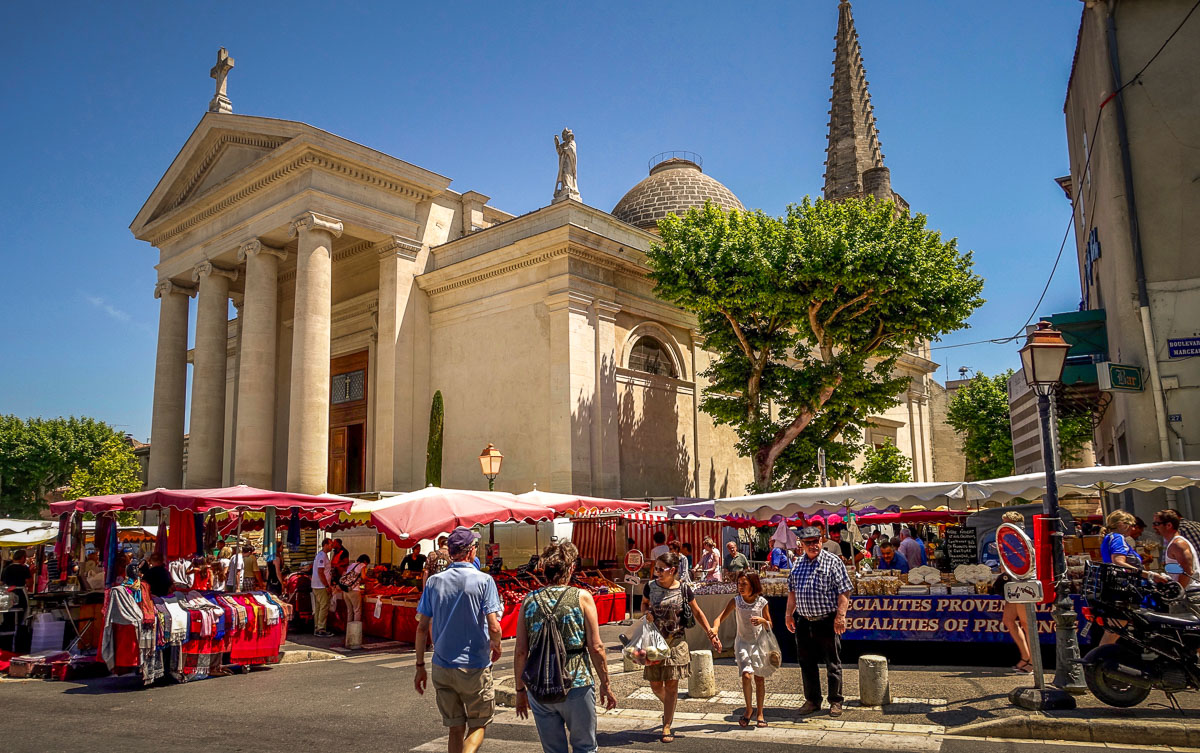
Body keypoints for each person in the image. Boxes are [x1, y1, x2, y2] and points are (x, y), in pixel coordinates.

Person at [514, 541, 617, 753]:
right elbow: (596, 647)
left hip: (540, 685)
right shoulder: (582, 597)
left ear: (544, 570)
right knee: (585, 747)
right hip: (576, 682)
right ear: (570, 568)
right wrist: (605, 684)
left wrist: (519, 690)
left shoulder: (529, 600)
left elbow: (521, 651)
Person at [414, 527, 504, 753]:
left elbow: (422, 627)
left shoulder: (434, 582)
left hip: (442, 665)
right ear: (470, 551)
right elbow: (494, 625)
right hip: (473, 666)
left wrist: (419, 666)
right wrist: (497, 644)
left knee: (455, 728)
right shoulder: (484, 581)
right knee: (478, 724)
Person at [642, 552, 720, 743]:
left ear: (673, 570)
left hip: (677, 642)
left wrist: (711, 633)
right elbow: (644, 605)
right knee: (655, 685)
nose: (657, 572)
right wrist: (646, 614)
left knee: (671, 684)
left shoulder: (684, 589)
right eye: (656, 569)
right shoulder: (650, 587)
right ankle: (670, 706)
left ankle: (666, 725)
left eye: (662, 569)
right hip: (654, 642)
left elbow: (697, 612)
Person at [785, 526, 852, 718]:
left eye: (817, 541)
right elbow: (792, 592)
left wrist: (840, 616)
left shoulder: (833, 562)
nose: (814, 545)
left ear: (821, 541)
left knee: (833, 663)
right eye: (809, 543)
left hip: (827, 620)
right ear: (802, 544)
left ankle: (836, 701)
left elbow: (844, 591)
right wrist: (788, 615)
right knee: (806, 662)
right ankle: (813, 700)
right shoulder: (797, 564)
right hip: (804, 621)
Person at [711, 571, 773, 728]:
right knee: (746, 675)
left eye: (744, 584)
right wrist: (715, 629)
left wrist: (763, 620)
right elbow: (719, 618)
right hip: (742, 643)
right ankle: (748, 709)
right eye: (739, 584)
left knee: (759, 678)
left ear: (753, 584)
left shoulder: (762, 602)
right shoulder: (736, 601)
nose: (741, 587)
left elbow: (770, 624)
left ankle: (760, 712)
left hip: (759, 643)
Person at [993, 511, 1035, 672]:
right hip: (1014, 583)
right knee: (1009, 620)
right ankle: (1025, 656)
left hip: (1022, 582)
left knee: (1026, 623)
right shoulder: (1008, 540)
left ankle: (1033, 662)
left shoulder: (1020, 539)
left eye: (1006, 522)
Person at [312, 538, 334, 637]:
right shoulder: (322, 556)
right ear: (325, 545)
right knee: (324, 606)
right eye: (330, 545)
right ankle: (321, 628)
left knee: (319, 607)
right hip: (320, 586)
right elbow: (321, 572)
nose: (331, 547)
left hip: (317, 585)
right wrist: (326, 585)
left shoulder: (322, 555)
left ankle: (317, 627)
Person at [343, 554, 370, 623]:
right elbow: (364, 577)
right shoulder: (362, 565)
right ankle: (355, 631)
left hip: (346, 590)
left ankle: (349, 630)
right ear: (364, 561)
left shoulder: (351, 565)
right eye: (367, 564)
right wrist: (371, 580)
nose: (366, 566)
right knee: (357, 610)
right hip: (354, 590)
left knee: (350, 611)